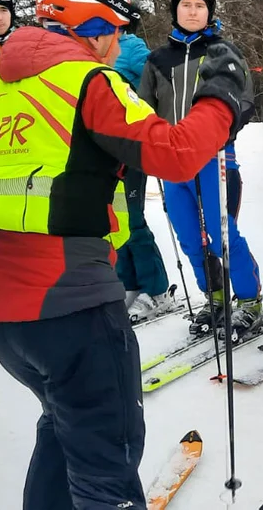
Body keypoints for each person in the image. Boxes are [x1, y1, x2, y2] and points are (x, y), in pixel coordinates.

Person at [0, 0, 247, 510]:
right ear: (92, 29)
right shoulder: (91, 82)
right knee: (106, 471)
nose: (119, 43)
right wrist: (222, 98)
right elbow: (175, 153)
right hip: (74, 310)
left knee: (63, 427)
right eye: (115, 30)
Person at [139, 0, 263, 339]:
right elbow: (144, 110)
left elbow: (245, 101)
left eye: (200, 6)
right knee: (191, 239)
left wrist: (221, 132)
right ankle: (216, 297)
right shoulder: (157, 60)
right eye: (186, 5)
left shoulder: (224, 52)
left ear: (210, 12)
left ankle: (249, 301)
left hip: (216, 160)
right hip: (172, 163)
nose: (193, 12)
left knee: (223, 235)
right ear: (174, 11)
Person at [111, 30, 173, 323]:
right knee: (115, 221)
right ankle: (129, 284)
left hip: (132, 145)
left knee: (133, 220)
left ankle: (157, 289)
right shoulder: (88, 48)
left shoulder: (132, 47)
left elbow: (157, 85)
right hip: (105, 147)